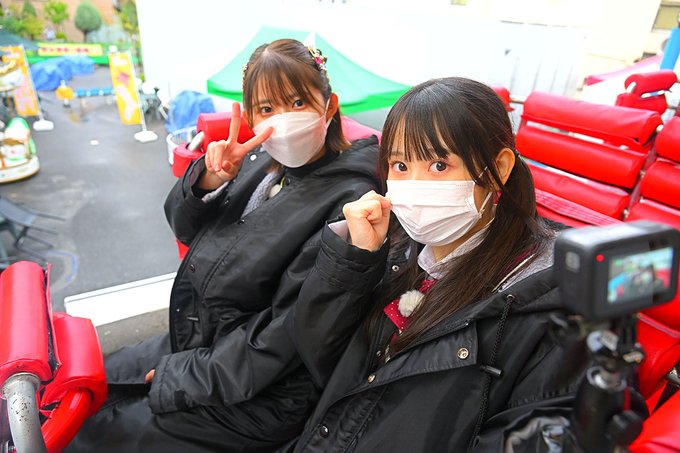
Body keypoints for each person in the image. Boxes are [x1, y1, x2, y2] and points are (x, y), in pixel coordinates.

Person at [66, 38, 381, 452]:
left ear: (329, 105)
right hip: (204, 343)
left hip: (261, 389)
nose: (283, 120)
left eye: (298, 102)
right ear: (250, 116)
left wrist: (181, 376)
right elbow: (183, 228)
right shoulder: (260, 165)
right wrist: (209, 180)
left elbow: (287, 334)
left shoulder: (348, 201)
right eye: (267, 109)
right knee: (85, 381)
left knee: (101, 434)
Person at [285, 77, 590, 452]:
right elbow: (319, 357)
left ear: (498, 168)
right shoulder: (394, 247)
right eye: (400, 165)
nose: (414, 186)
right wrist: (354, 262)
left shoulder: (545, 302)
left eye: (439, 165)